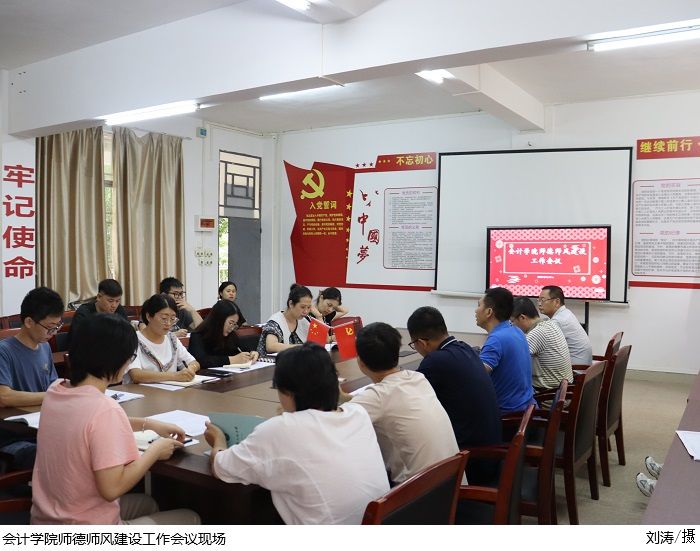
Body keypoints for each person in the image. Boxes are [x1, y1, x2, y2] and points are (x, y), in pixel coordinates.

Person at [30, 313, 200, 525]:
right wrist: (155, 451)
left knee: (148, 503)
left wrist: (148, 424)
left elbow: (86, 423)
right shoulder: (104, 409)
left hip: (47, 518)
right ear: (116, 360)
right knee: (190, 517)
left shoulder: (56, 390)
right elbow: (112, 489)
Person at [204, 343, 389, 524]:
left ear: (287, 391)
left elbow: (221, 467)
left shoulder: (281, 430)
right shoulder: (358, 413)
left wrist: (219, 440)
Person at [340, 322, 459, 485]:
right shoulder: (418, 378)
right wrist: (345, 397)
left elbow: (334, 422)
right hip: (453, 485)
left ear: (360, 361)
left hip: (417, 494)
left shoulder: (377, 397)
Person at [407, 306, 502, 484]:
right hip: (492, 452)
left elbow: (410, 402)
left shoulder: (434, 361)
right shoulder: (465, 348)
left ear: (422, 342)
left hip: (473, 461)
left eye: (414, 344)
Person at [0, 287, 64, 468]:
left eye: (57, 327)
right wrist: (51, 395)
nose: (54, 333)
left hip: (42, 428)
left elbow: (53, 385)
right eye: (50, 328)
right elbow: (4, 396)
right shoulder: (4, 351)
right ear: (29, 321)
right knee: (56, 455)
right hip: (13, 437)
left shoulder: (44, 347)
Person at [475, 287, 534, 414]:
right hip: (526, 408)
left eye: (479, 305)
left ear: (489, 312)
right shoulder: (516, 331)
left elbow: (476, 375)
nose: (475, 310)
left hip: (508, 414)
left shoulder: (496, 339)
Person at [124, 294, 200, 384]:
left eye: (172, 319)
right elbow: (136, 375)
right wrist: (176, 376)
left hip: (169, 391)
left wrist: (190, 370)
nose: (168, 323)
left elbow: (194, 362)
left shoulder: (172, 339)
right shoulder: (132, 339)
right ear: (148, 316)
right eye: (164, 318)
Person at [511, 296, 573, 392]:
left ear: (522, 317)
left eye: (512, 321)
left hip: (548, 394)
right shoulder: (550, 324)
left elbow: (513, 361)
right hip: (563, 390)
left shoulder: (537, 333)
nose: (512, 326)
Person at [188, 300, 259, 369]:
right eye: (230, 323)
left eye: (235, 324)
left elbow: (241, 349)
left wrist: (252, 353)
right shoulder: (197, 335)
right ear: (219, 319)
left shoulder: (230, 335)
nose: (232, 328)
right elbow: (200, 361)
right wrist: (231, 360)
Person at [538, 285, 593, 366]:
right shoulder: (566, 313)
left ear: (557, 302)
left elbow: (539, 345)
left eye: (542, 300)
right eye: (538, 300)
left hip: (576, 369)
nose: (539, 304)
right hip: (582, 365)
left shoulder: (559, 321)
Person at [67, 279, 130, 345]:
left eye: (117, 301)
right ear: (99, 297)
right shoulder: (84, 313)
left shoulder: (119, 310)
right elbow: (77, 341)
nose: (114, 305)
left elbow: (127, 333)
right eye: (110, 301)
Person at [256, 284, 312, 356]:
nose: (306, 311)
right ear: (291, 304)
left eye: (309, 307)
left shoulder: (305, 320)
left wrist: (318, 316)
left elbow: (321, 341)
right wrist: (300, 347)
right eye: (302, 307)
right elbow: (271, 346)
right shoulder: (275, 322)